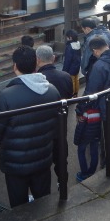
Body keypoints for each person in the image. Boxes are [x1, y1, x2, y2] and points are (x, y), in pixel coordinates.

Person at [0, 46, 60, 208]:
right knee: (43, 201)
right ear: (36, 63)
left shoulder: (6, 96)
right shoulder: (52, 91)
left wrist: (12, 145)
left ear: (15, 66)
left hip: (16, 161)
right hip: (43, 156)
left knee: (18, 205)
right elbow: (56, 124)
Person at [36, 44, 73, 186]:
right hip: (60, 125)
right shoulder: (65, 76)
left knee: (41, 160)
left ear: (37, 60)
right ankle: (62, 183)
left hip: (42, 128)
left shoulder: (36, 80)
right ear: (53, 58)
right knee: (61, 157)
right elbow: (69, 96)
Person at [62, 29, 81, 97]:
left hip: (71, 67)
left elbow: (68, 60)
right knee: (76, 79)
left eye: (67, 37)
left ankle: (72, 94)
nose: (66, 38)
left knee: (71, 81)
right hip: (77, 66)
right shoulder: (78, 44)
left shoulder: (69, 47)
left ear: (70, 37)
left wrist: (64, 70)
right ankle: (76, 93)